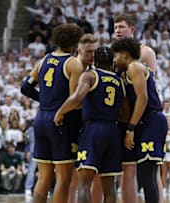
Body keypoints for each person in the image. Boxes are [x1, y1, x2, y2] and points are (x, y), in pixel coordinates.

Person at [20, 23, 84, 203]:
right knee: (63, 179)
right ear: (74, 43)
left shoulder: (45, 60)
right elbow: (74, 100)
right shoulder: (73, 64)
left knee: (43, 177)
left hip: (41, 119)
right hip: (60, 120)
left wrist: (45, 100)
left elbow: (25, 87)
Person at [54, 47, 124, 203]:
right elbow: (124, 111)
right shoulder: (119, 81)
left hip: (93, 129)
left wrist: (60, 112)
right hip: (113, 130)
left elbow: (77, 97)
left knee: (84, 183)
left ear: (95, 61)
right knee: (109, 187)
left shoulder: (90, 76)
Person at [113, 14, 163, 203]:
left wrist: (131, 127)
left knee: (149, 171)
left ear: (132, 29)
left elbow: (146, 92)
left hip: (148, 115)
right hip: (134, 117)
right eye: (115, 27)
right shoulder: (117, 57)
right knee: (134, 170)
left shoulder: (142, 56)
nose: (117, 30)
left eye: (121, 27)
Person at [67, 34, 103, 203]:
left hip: (85, 126)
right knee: (71, 176)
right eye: (89, 52)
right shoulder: (73, 67)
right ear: (79, 50)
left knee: (92, 173)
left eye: (95, 52)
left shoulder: (92, 71)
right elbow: (74, 100)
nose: (93, 55)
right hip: (70, 124)